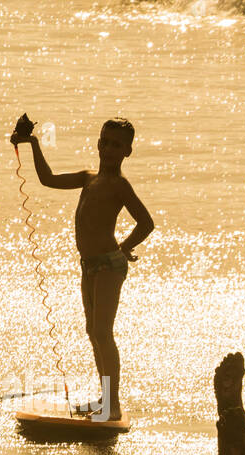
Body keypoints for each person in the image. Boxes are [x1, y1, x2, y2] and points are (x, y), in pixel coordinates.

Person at [9, 115, 153, 421]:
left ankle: (112, 405)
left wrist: (125, 247)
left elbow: (146, 222)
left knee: (103, 332)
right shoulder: (89, 178)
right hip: (89, 266)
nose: (111, 149)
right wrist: (33, 143)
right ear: (99, 144)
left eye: (118, 145)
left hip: (109, 266)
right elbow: (48, 179)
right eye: (107, 142)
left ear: (128, 151)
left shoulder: (120, 186)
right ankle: (105, 399)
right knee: (92, 331)